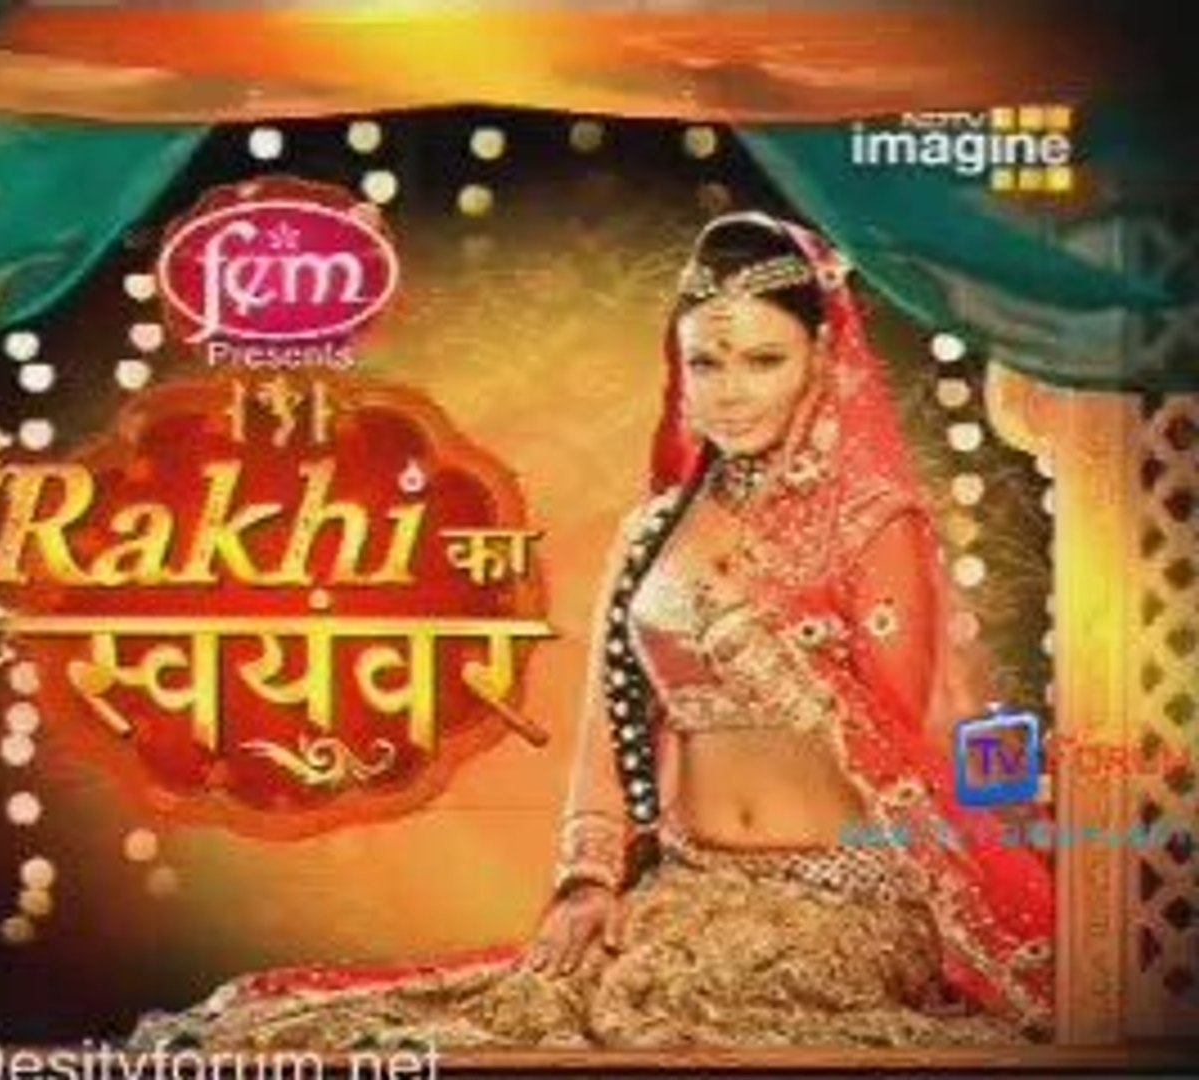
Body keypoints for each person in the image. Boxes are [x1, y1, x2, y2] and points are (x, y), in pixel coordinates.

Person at [129, 212, 1055, 1053]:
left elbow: (907, 738)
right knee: (515, 1010)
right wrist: (588, 881)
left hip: (846, 903)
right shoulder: (654, 529)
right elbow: (607, 732)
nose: (730, 393)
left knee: (660, 1014)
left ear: (821, 359)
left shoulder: (875, 522)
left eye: (762, 361)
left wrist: (768, 656)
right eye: (706, 363)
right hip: (684, 890)